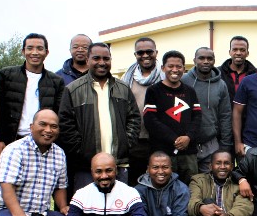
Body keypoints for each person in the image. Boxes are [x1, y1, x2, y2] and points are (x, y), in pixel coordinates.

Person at [58, 42, 141, 188]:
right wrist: (81, 151)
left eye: (106, 58)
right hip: (86, 167)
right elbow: (65, 124)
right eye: (96, 58)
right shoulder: (73, 90)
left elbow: (134, 118)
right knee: (88, 209)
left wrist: (126, 144)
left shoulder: (122, 88)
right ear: (88, 59)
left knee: (118, 208)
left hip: (119, 164)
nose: (102, 63)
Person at [0, 33, 65, 151]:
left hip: (43, 142)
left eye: (40, 48)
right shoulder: (7, 75)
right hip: (12, 140)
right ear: (23, 51)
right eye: (30, 48)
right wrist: (0, 139)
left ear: (46, 53)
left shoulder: (56, 81)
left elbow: (58, 114)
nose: (35, 52)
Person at [142, 50, 202, 183]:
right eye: (170, 66)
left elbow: (197, 117)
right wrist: (174, 139)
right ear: (163, 68)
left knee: (191, 187)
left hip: (188, 152)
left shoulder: (190, 91)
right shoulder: (153, 91)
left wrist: (188, 137)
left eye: (179, 66)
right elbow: (150, 120)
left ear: (184, 69)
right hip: (163, 152)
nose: (175, 70)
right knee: (164, 187)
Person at [181, 47, 233, 173]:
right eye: (201, 58)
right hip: (186, 143)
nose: (206, 61)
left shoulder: (221, 85)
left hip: (210, 143)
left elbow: (225, 116)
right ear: (194, 60)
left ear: (214, 61)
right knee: (188, 182)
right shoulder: (183, 81)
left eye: (209, 58)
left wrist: (225, 146)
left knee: (210, 184)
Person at [121, 37, 162, 186]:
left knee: (158, 181)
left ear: (156, 53)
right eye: (140, 52)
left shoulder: (165, 76)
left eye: (149, 51)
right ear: (135, 55)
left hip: (160, 140)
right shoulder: (126, 79)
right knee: (135, 183)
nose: (145, 55)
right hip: (135, 140)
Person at [219, 36, 257, 102]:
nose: (238, 53)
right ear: (230, 52)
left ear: (247, 53)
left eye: (242, 50)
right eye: (235, 50)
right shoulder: (218, 73)